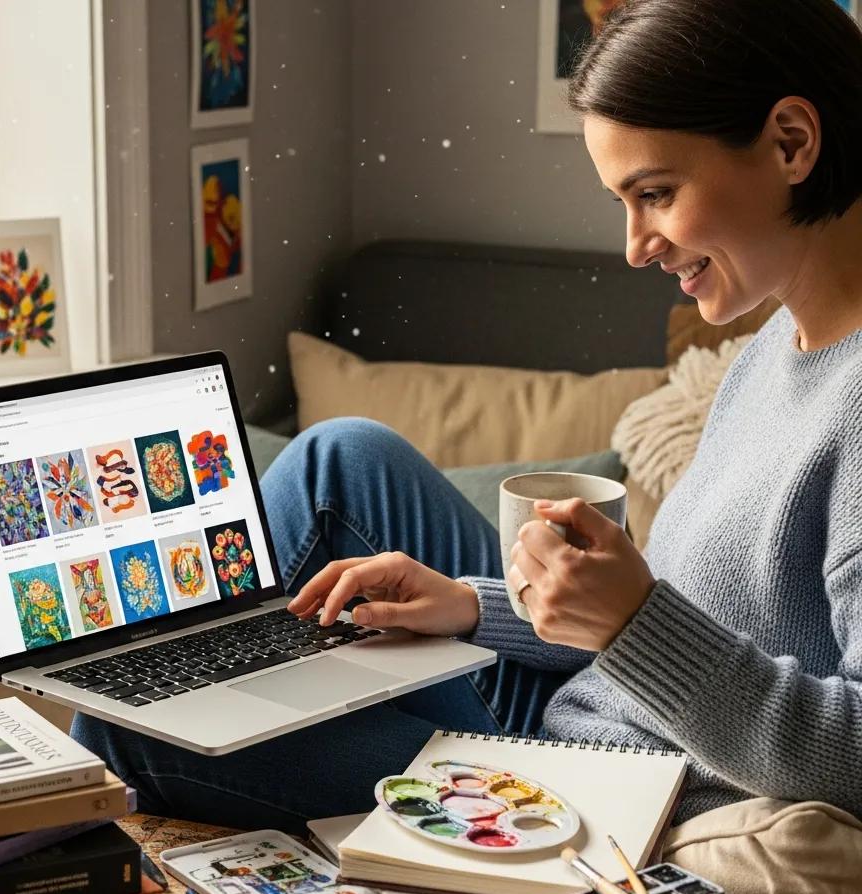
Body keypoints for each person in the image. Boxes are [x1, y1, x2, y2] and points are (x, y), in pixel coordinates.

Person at [72, 0, 862, 833]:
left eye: (656, 193)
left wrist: (635, 621)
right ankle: (185, 671)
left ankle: (152, 709)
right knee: (344, 460)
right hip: (599, 701)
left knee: (127, 734)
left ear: (791, 143)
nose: (636, 245)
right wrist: (473, 607)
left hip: (627, 794)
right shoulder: (777, 345)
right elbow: (709, 624)